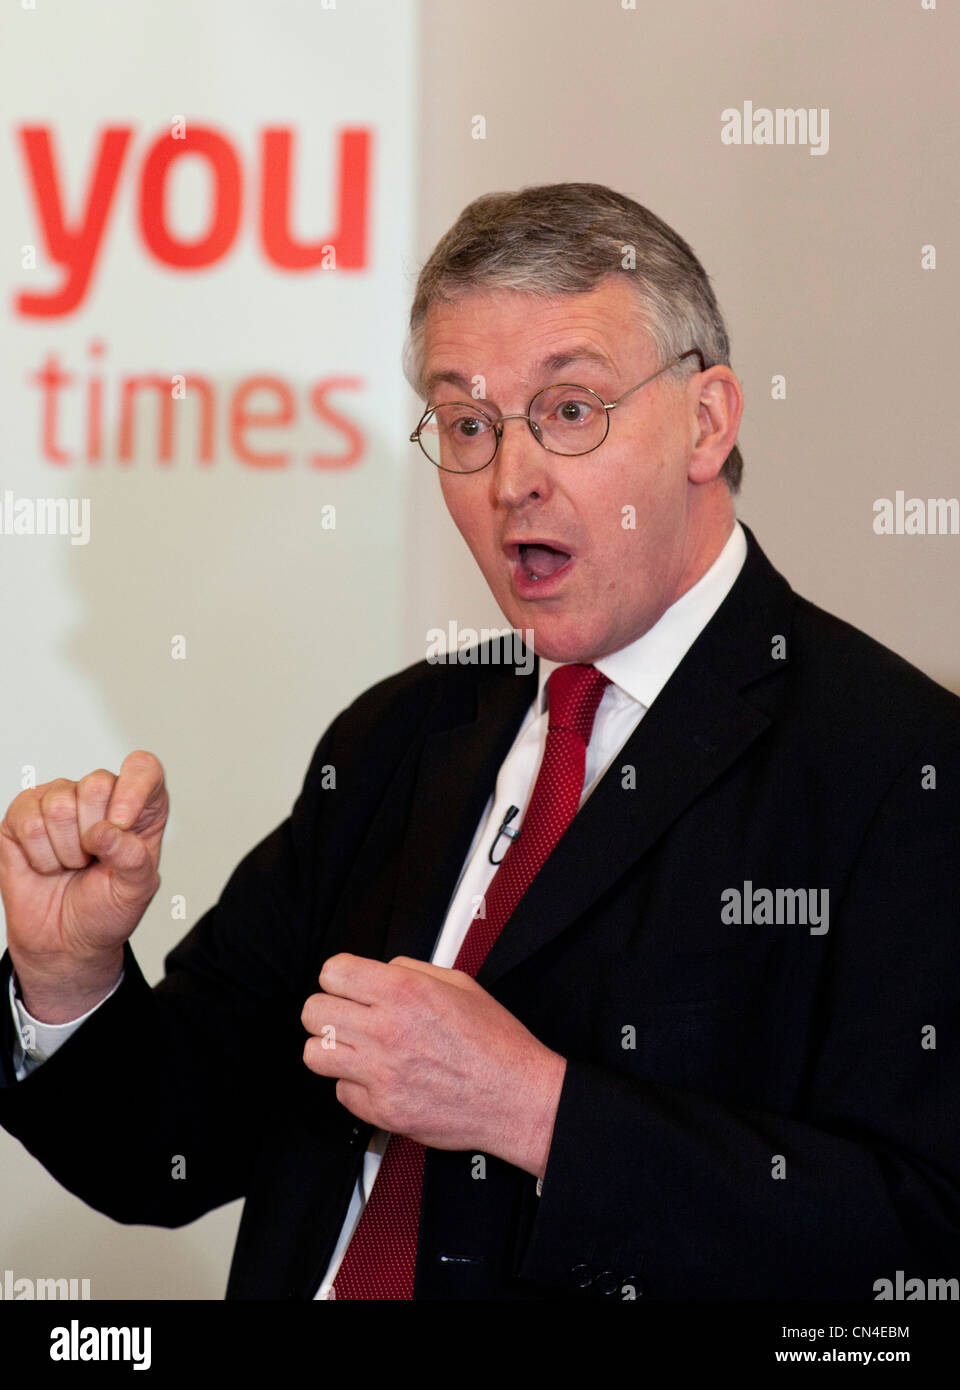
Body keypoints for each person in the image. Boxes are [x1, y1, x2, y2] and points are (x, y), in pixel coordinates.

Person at [1, 184, 958, 1301]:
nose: (512, 479)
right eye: (467, 423)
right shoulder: (397, 736)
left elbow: (921, 1249)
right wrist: (67, 979)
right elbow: (166, 1152)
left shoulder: (897, 767)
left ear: (707, 421)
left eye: (570, 410)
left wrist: (540, 1111)